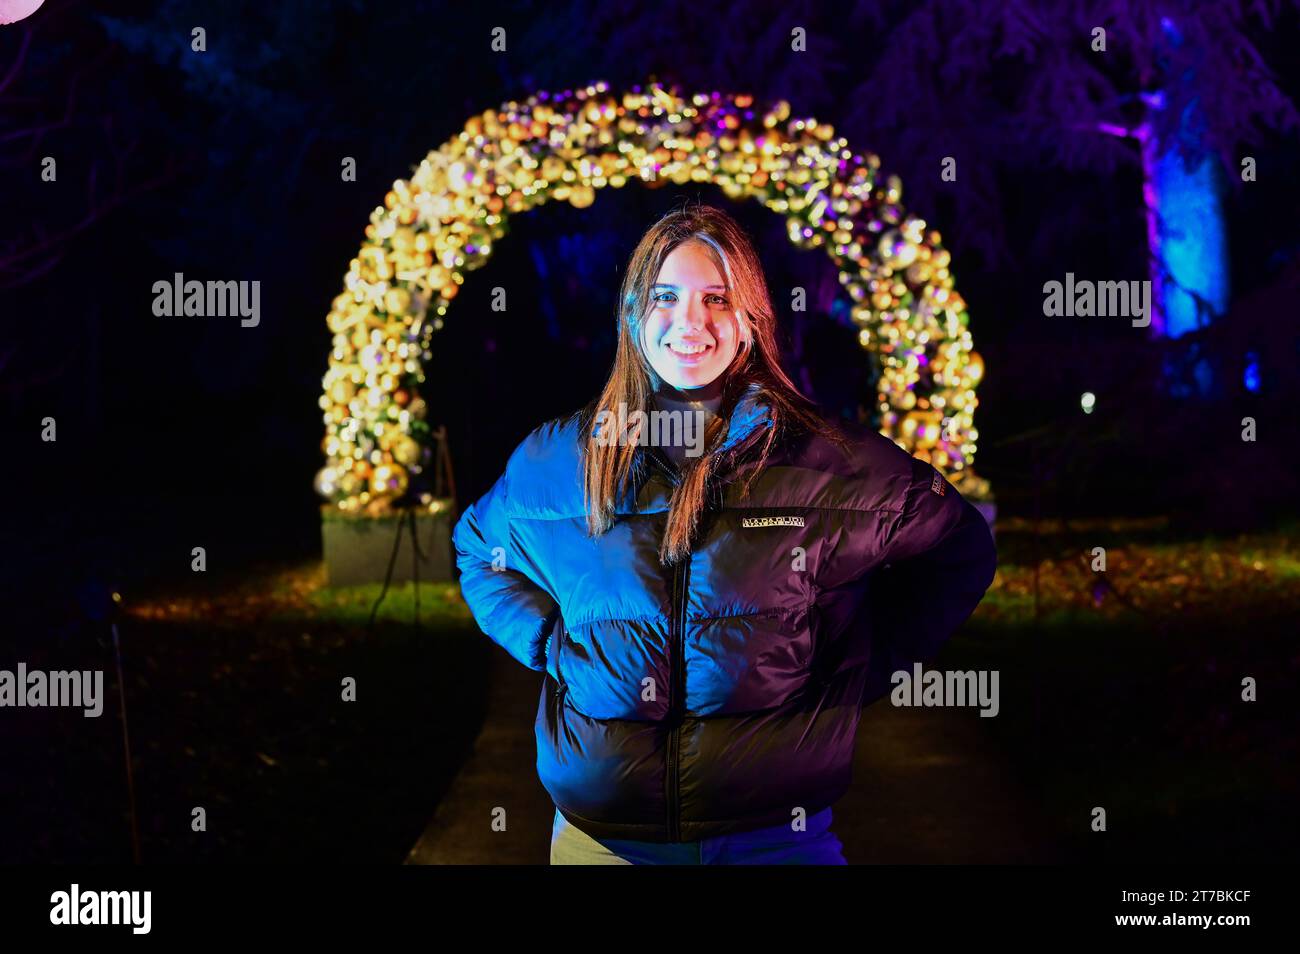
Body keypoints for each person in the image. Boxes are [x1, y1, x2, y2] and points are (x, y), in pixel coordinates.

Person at [452, 203, 998, 864]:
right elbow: (481, 551)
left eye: (718, 298)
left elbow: (955, 547)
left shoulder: (827, 461)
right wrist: (549, 644)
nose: (691, 322)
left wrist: (854, 664)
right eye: (665, 296)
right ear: (631, 313)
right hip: (602, 845)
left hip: (777, 842)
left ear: (750, 322)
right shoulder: (559, 461)